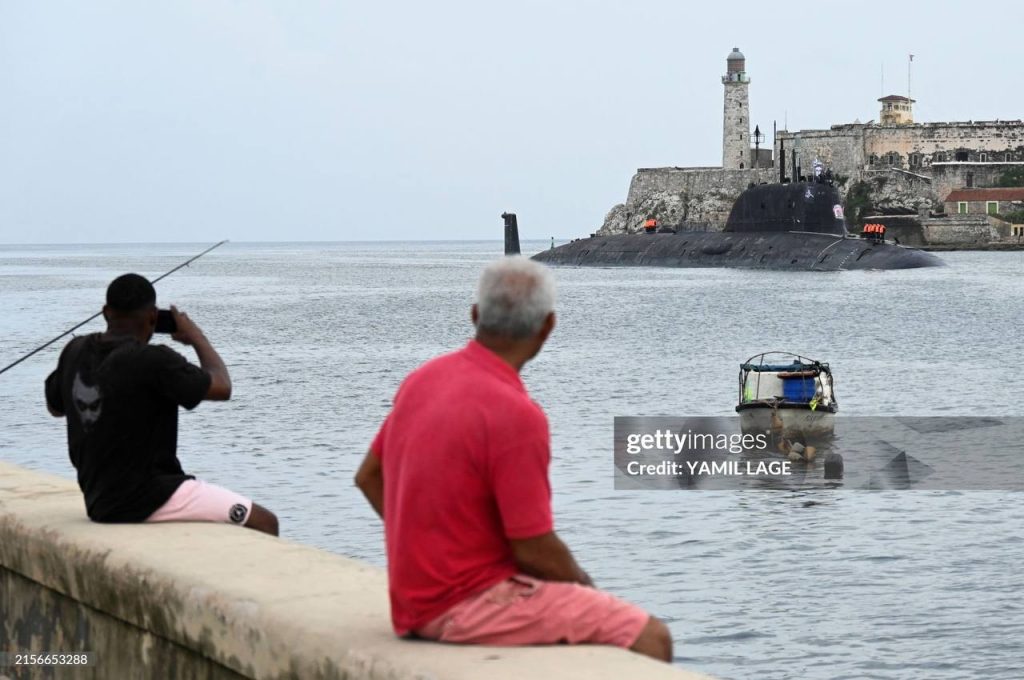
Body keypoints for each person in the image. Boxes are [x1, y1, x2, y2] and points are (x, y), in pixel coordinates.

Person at [354, 257, 673, 662]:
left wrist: (428, 551)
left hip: (411, 601)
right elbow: (533, 548)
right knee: (650, 636)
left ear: (474, 316)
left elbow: (369, 477)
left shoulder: (422, 379)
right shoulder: (518, 413)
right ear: (548, 327)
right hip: (465, 607)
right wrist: (586, 588)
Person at [45, 273, 278, 535]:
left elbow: (55, 408)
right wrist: (196, 337)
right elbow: (222, 387)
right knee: (265, 522)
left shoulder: (75, 349)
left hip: (98, 499)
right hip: (149, 496)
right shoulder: (153, 360)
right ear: (153, 317)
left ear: (106, 313)